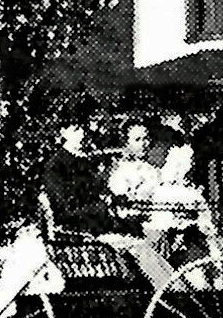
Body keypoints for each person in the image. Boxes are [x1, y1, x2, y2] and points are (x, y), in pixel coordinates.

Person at [40, 121, 176, 289]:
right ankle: (173, 293)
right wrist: (106, 210)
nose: (82, 134)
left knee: (152, 237)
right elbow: (67, 209)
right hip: (79, 229)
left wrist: (118, 200)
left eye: (83, 128)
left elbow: (101, 194)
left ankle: (165, 289)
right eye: (76, 129)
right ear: (63, 133)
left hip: (99, 223)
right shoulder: (55, 167)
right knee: (140, 247)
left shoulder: (83, 162)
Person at [144, 142, 222, 265]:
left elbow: (206, 221)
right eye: (184, 165)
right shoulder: (163, 191)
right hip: (171, 245)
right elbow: (160, 223)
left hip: (194, 244)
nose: (189, 169)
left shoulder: (194, 193)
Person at [107, 120, 159, 223]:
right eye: (138, 139)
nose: (144, 144)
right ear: (126, 143)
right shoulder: (120, 171)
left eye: (146, 138)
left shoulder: (151, 169)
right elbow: (122, 206)